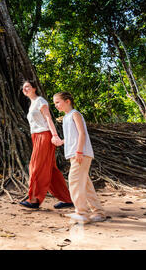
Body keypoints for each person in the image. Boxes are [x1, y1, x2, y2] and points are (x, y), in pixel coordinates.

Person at [19, 80, 74, 209]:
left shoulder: (40, 101)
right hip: (36, 136)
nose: (24, 89)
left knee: (36, 167)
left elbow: (48, 118)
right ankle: (67, 199)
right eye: (23, 88)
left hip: (44, 135)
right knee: (51, 169)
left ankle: (34, 199)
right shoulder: (32, 103)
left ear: (34, 88)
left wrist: (55, 135)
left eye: (27, 87)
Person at [53, 91, 106, 223]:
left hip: (80, 154)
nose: (56, 105)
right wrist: (62, 142)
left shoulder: (75, 114)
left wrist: (79, 152)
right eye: (54, 103)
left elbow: (82, 133)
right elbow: (73, 136)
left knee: (74, 180)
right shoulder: (66, 118)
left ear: (67, 101)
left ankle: (81, 213)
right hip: (75, 154)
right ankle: (98, 212)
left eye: (58, 102)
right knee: (86, 184)